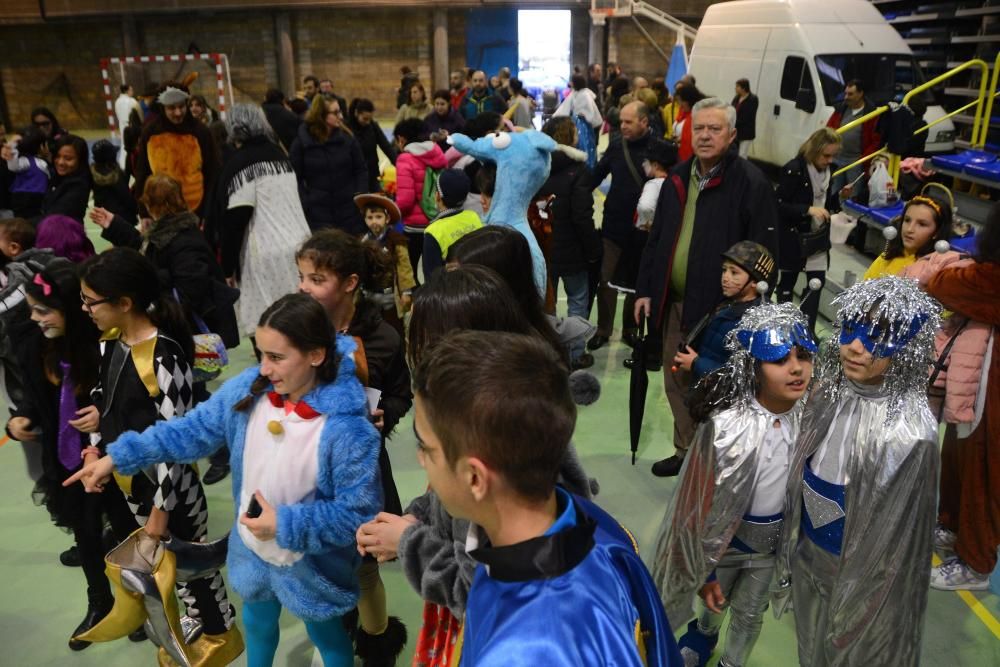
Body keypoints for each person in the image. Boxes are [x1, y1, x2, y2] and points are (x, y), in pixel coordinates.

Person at [67, 293, 381, 667]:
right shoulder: (250, 393)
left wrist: (284, 523)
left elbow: (358, 514)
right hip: (253, 551)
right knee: (256, 623)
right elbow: (188, 431)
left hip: (311, 564)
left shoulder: (348, 430)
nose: (263, 369)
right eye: (260, 353)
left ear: (316, 355)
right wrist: (116, 457)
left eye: (277, 358)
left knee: (326, 634)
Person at [355, 265, 597, 667]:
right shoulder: (500, 439)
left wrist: (410, 543)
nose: (419, 459)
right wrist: (416, 518)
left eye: (427, 449)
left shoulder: (525, 640)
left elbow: (477, 592)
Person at [405, 329, 679, 664]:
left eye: (426, 448)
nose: (420, 459)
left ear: (475, 478)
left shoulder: (523, 653)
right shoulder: (592, 526)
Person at [73, 248, 241, 662]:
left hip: (173, 490)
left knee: (192, 565)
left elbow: (176, 439)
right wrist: (94, 445)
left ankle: (220, 632)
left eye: (91, 301)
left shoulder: (164, 355)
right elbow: (103, 401)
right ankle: (195, 618)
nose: (85, 309)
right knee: (163, 567)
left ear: (124, 303)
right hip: (131, 481)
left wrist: (162, 510)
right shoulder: (110, 344)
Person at [775, 276, 941, 666]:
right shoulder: (827, 394)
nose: (854, 346)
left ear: (908, 347)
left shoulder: (911, 434)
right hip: (807, 553)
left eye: (877, 335)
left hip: (861, 575)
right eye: (850, 327)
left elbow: (898, 549)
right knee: (808, 645)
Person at [653, 302, 816, 667]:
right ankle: (703, 635)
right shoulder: (725, 428)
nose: (796, 368)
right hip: (726, 545)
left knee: (749, 614)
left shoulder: (810, 423)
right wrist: (703, 567)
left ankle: (733, 662)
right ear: (753, 367)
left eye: (803, 356)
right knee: (713, 602)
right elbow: (694, 502)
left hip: (769, 550)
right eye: (779, 359)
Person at [635, 97, 779, 478]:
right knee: (676, 381)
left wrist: (750, 303)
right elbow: (658, 239)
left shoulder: (750, 184)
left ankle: (717, 460)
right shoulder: (677, 180)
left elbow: (766, 253)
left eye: (715, 129)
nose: (705, 135)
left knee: (717, 387)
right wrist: (646, 290)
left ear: (731, 135)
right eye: (698, 128)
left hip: (723, 312)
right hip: (675, 303)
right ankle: (686, 451)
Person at [5, 260, 139, 650]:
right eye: (31, 309)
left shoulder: (105, 345)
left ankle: (139, 599)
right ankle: (100, 601)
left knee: (127, 525)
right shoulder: (35, 344)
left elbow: (136, 399)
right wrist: (24, 416)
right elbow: (33, 396)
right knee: (84, 529)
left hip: (112, 456)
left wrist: (104, 413)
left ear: (71, 310)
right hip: (67, 459)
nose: (34, 318)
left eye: (43, 310)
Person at [295, 232, 411, 665]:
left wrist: (387, 416)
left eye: (316, 277)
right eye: (301, 276)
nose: (304, 286)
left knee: (364, 568)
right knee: (321, 564)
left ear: (350, 282)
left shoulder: (382, 338)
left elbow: (401, 394)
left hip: (361, 475)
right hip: (306, 472)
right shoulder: (295, 327)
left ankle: (377, 644)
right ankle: (336, 638)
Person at [924, 202, 1000, 591]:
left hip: (993, 397)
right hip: (975, 387)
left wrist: (941, 267)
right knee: (958, 452)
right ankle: (952, 525)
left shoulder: (987, 280)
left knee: (984, 472)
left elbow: (944, 284)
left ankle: (976, 562)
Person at [213, 104, 311, 343]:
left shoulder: (240, 166)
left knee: (271, 331)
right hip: (301, 245)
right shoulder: (281, 157)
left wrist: (227, 267)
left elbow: (235, 221)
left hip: (266, 255)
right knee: (301, 327)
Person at [588, 101, 657, 352]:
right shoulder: (616, 146)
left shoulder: (658, 149)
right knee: (605, 281)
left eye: (629, 122)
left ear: (644, 122)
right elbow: (595, 176)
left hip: (644, 230)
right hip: (613, 226)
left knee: (636, 283)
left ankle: (631, 328)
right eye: (621, 122)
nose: (622, 127)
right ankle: (603, 329)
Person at [537, 116, 602, 366]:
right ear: (569, 137)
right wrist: (593, 249)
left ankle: (549, 355)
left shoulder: (537, 166)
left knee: (545, 307)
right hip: (573, 248)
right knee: (577, 301)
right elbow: (582, 214)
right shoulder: (578, 170)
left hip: (544, 246)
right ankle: (576, 354)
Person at [668, 241, 775, 383]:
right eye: (724, 270)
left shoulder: (757, 322)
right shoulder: (727, 305)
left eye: (734, 272)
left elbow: (744, 376)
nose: (725, 277)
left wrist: (696, 364)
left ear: (756, 281)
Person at [775, 128, 844, 333]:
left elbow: (827, 204)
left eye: (833, 155)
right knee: (788, 282)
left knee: (816, 285)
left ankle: (807, 332)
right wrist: (807, 210)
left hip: (817, 239)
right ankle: (782, 329)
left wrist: (840, 197)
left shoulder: (830, 171)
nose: (830, 160)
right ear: (814, 151)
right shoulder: (794, 169)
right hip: (794, 238)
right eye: (826, 155)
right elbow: (778, 205)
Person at [132, 82, 220, 218]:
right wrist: (144, 213)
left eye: (181, 106)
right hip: (161, 211)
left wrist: (209, 212)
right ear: (163, 108)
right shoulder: (150, 132)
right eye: (171, 108)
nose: (178, 113)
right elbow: (142, 173)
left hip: (197, 210)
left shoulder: (201, 132)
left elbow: (212, 172)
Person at [289, 95, 367, 234]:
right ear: (321, 115)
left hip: (349, 214)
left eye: (340, 111)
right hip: (317, 217)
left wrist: (359, 197)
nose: (341, 116)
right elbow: (294, 179)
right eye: (336, 112)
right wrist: (307, 203)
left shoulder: (348, 140)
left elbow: (361, 170)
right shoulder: (301, 143)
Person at [393, 118, 447, 278]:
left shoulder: (405, 159)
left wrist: (392, 212)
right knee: (434, 270)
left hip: (415, 226)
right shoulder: (437, 154)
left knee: (412, 274)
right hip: (437, 220)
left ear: (401, 139)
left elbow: (406, 200)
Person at [355, 194, 415, 337]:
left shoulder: (396, 241)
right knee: (371, 330)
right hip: (369, 295)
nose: (374, 222)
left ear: (387, 219)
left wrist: (406, 292)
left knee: (394, 329)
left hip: (389, 298)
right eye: (370, 218)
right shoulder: (362, 242)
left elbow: (404, 269)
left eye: (378, 217)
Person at [862, 185, 952, 279]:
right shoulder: (887, 256)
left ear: (937, 232)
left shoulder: (936, 271)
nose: (909, 229)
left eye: (921, 224)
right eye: (907, 220)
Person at [421, 169, 482, 281]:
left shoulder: (433, 232)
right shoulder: (474, 216)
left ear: (438, 196)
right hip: (477, 284)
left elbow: (432, 278)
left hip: (452, 292)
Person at [827, 79, 882, 197]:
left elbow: (876, 141)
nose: (846, 97)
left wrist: (862, 160)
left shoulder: (871, 114)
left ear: (860, 94)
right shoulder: (840, 109)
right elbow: (829, 130)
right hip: (837, 159)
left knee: (853, 195)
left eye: (850, 94)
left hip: (856, 162)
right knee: (833, 193)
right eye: (845, 93)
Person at [347, 98, 398, 194]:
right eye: (365, 119)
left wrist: (400, 165)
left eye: (370, 119)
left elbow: (386, 146)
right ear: (356, 113)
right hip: (354, 178)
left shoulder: (373, 126)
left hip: (372, 174)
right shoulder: (347, 129)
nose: (368, 122)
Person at [553, 74, 603, 169]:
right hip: (576, 121)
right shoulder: (575, 93)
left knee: (583, 143)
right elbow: (565, 106)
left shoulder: (585, 95)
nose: (570, 83)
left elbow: (590, 112)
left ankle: (587, 167)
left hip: (582, 124)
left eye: (572, 81)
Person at [39, 134, 91, 223]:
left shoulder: (78, 186)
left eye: (68, 158)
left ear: (80, 160)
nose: (60, 162)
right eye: (57, 156)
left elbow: (54, 217)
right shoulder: (59, 176)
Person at [2, 125, 49, 219]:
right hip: (25, 199)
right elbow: (13, 166)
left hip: (39, 197)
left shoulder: (41, 161)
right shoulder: (25, 161)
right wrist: (12, 146)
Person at [89, 139, 137, 223]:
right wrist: (136, 210)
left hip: (105, 218)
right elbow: (126, 198)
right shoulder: (116, 175)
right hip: (123, 218)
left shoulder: (92, 174)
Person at [674, 85, 708, 163]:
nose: (680, 104)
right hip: (681, 153)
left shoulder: (699, 115)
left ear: (689, 100)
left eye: (681, 101)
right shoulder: (684, 112)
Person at [261, 88, 302, 153]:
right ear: (283, 100)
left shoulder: (259, 113)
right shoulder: (290, 116)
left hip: (265, 153)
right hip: (286, 153)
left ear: (265, 99)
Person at [114, 84, 142, 168]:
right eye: (131, 90)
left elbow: (117, 114)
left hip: (122, 126)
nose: (132, 92)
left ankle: (123, 165)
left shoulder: (117, 101)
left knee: (124, 145)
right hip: (132, 126)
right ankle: (133, 164)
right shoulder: (132, 101)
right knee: (133, 146)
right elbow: (139, 113)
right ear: (127, 91)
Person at [731, 79, 759, 159]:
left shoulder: (753, 99)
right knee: (734, 153)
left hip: (746, 132)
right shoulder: (737, 97)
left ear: (743, 88)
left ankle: (741, 170)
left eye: (737, 86)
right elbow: (732, 109)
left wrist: (735, 122)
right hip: (736, 130)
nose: (735, 88)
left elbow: (748, 116)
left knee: (742, 155)